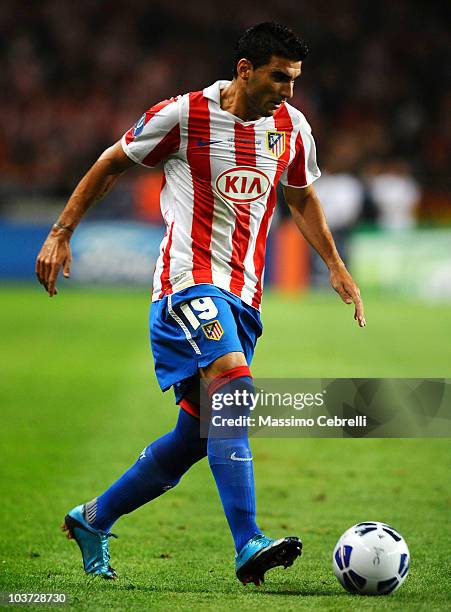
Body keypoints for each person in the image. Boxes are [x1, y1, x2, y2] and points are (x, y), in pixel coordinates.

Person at [36, 22, 366, 587]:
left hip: (243, 298)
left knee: (199, 435)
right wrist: (61, 230)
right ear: (245, 70)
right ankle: (248, 544)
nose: (288, 92)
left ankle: (92, 518)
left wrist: (335, 265)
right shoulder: (183, 115)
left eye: (294, 80)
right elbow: (112, 162)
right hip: (186, 286)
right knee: (234, 391)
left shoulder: (290, 126)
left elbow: (302, 194)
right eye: (279, 78)